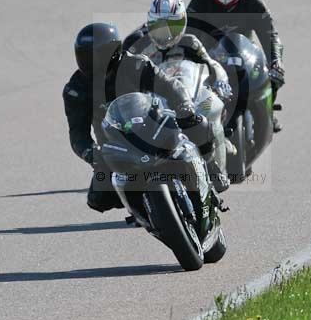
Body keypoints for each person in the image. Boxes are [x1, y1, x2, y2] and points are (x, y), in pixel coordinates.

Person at [62, 22, 206, 213]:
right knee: (98, 198)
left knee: (199, 127)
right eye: (84, 56)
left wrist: (185, 108)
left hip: (153, 127)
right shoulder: (76, 90)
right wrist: (91, 153)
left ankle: (207, 185)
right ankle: (141, 211)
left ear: (111, 53)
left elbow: (171, 87)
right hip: (115, 145)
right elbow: (77, 135)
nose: (88, 62)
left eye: (94, 56)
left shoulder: (135, 64)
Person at [123, 0, 232, 192]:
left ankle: (213, 166)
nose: (165, 32)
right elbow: (122, 73)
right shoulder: (138, 46)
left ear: (182, 23)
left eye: (171, 26)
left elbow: (212, 65)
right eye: (158, 26)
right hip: (150, 103)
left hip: (189, 98)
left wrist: (221, 81)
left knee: (211, 108)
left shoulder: (191, 43)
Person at [187, 0, 285, 132]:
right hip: (209, 57)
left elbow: (270, 35)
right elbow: (188, 33)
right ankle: (193, 119)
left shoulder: (254, 4)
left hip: (245, 55)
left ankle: (267, 111)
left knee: (274, 76)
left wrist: (276, 61)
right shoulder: (199, 2)